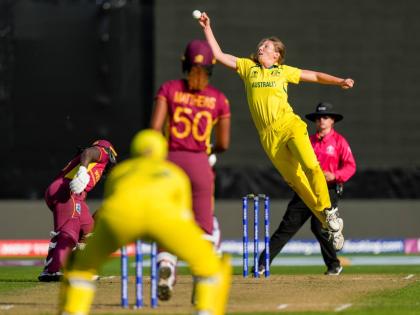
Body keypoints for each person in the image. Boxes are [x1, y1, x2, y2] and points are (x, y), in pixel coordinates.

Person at [197, 12, 355, 249]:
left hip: (289, 125)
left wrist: (339, 80)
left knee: (311, 166)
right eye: (260, 45)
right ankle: (329, 223)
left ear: (276, 54)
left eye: (267, 46)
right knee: (298, 184)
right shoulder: (248, 67)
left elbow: (313, 75)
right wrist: (207, 28)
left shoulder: (283, 71)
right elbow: (218, 56)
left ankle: (330, 212)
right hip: (269, 136)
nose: (261, 47)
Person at [57, 129, 232, 315]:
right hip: (164, 219)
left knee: (81, 267)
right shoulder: (174, 173)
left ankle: (73, 310)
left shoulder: (121, 172)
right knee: (211, 265)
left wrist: (96, 238)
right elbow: (184, 215)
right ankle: (205, 309)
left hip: (121, 220)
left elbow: (109, 207)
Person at [150, 39, 231, 300]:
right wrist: (209, 151)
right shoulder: (218, 99)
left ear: (184, 63)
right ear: (212, 67)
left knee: (167, 219)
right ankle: (201, 275)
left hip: (169, 162)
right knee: (204, 227)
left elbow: (154, 131)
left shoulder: (169, 89)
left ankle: (166, 265)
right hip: (199, 164)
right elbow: (224, 144)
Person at [257, 102, 356, 275]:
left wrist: (335, 175)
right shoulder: (307, 140)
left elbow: (350, 166)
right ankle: (262, 264)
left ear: (332, 120)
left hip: (328, 190)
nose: (321, 121)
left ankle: (334, 265)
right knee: (287, 226)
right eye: (318, 118)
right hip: (305, 189)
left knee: (319, 227)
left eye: (325, 117)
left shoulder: (339, 141)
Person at [38, 139, 117, 282]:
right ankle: (52, 270)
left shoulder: (93, 162)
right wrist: (82, 171)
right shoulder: (103, 152)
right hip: (66, 191)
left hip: (71, 194)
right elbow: (88, 152)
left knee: (88, 228)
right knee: (69, 230)